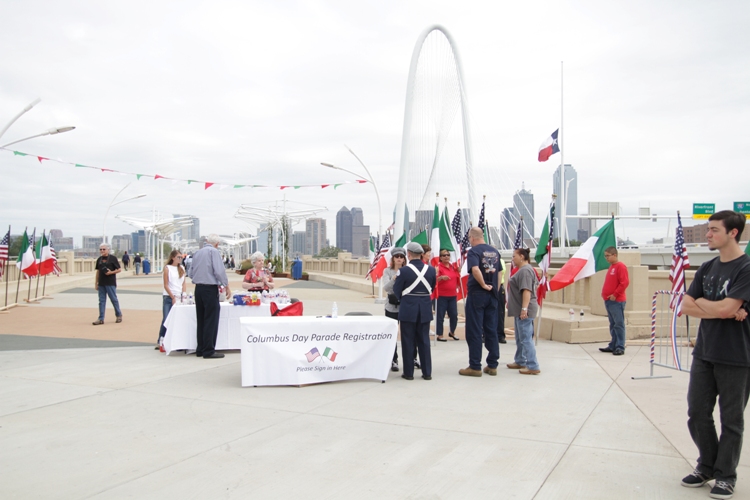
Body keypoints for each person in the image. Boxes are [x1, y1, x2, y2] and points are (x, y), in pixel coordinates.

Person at [680, 210, 750, 499]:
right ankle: (706, 465)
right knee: (697, 412)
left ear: (733, 233)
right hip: (704, 352)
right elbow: (685, 305)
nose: (707, 234)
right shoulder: (708, 267)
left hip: (736, 356)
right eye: (707, 229)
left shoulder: (746, 268)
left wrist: (713, 307)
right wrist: (724, 309)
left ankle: (725, 476)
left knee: (731, 420)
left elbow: (722, 309)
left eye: (713, 230)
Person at [459, 227, 500, 377]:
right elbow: (499, 272)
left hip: (477, 293)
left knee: (475, 329)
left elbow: (475, 269)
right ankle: (492, 365)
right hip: (492, 293)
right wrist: (494, 289)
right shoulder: (494, 251)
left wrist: (483, 285)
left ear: (472, 237)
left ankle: (475, 365)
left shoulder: (474, 251)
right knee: (491, 329)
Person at [393, 242, 436, 381]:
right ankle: (427, 372)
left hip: (408, 308)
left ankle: (409, 373)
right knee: (424, 341)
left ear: (409, 254)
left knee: (408, 341)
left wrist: (405, 299)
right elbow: (432, 288)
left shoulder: (403, 271)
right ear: (421, 254)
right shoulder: (431, 270)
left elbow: (397, 290)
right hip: (425, 308)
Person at [188, 234, 232, 359]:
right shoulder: (214, 252)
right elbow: (219, 271)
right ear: (217, 244)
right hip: (210, 288)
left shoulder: (197, 253)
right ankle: (208, 350)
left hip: (198, 288)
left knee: (201, 318)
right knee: (211, 319)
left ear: (207, 241)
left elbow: (190, 272)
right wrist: (226, 285)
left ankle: (201, 348)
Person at [507, 248, 541, 375]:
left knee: (526, 338)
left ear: (522, 256)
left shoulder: (525, 271)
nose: (513, 259)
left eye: (514, 256)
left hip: (525, 310)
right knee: (520, 337)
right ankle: (520, 360)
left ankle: (533, 365)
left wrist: (524, 309)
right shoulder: (524, 270)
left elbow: (526, 290)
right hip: (519, 309)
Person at [599, 247, 630, 356]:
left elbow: (624, 282)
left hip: (617, 301)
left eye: (608, 256)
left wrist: (615, 294)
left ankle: (620, 346)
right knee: (613, 324)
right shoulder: (612, 267)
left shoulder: (620, 266)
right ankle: (613, 344)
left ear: (614, 255)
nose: (606, 258)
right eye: (605, 256)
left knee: (619, 324)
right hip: (608, 300)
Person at [157, 250, 187, 350]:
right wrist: (172, 297)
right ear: (173, 258)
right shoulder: (167, 268)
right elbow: (166, 285)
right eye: (178, 257)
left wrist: (184, 294)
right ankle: (161, 340)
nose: (180, 259)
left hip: (179, 296)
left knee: (177, 319)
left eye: (181, 257)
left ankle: (175, 341)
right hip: (169, 296)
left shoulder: (182, 268)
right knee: (166, 319)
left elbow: (183, 283)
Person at [383, 247, 406, 372]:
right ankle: (393, 360)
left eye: (401, 256)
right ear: (392, 258)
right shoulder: (387, 271)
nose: (399, 258)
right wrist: (394, 278)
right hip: (391, 307)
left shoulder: (407, 270)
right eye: (397, 256)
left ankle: (411, 358)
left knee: (408, 334)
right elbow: (386, 288)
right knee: (392, 334)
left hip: (405, 305)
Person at [92, 243, 122, 325]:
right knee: (101, 301)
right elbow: (98, 271)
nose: (102, 251)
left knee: (113, 299)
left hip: (110, 283)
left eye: (104, 249)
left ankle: (118, 315)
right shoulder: (99, 260)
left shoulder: (113, 258)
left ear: (108, 250)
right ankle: (101, 318)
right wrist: (96, 283)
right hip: (101, 283)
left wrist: (111, 272)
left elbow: (119, 269)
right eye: (100, 249)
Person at [435, 248, 460, 342]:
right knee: (440, 316)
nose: (446, 257)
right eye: (444, 255)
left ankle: (452, 332)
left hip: (452, 295)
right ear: (440, 257)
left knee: (454, 315)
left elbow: (458, 278)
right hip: (441, 295)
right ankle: (440, 335)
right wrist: (441, 278)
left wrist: (459, 271)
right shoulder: (438, 267)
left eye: (448, 255)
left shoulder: (453, 267)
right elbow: (434, 280)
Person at [496, 256, 508, 344]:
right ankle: (485, 334)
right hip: (487, 287)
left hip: (499, 287)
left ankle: (500, 335)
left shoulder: (501, 261)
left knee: (500, 312)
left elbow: (501, 271)